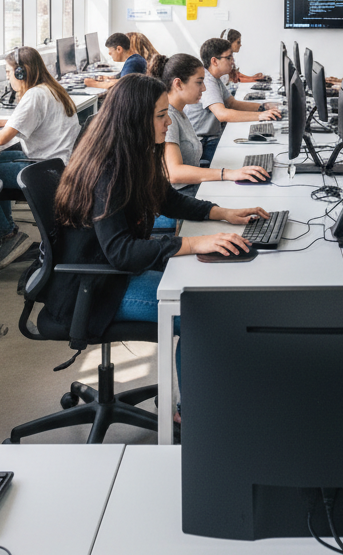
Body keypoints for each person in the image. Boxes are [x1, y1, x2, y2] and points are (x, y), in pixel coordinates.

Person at [46, 74, 268, 411]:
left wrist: (223, 213)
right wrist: (195, 244)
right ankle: (193, 416)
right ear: (136, 119)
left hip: (113, 273)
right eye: (161, 115)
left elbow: (168, 200)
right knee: (201, 313)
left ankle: (214, 402)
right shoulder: (110, 170)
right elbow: (121, 253)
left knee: (213, 290)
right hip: (96, 287)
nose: (169, 122)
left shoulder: (135, 151)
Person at [0, 46, 80, 267]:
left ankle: (5, 235)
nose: (8, 77)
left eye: (9, 73)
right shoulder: (50, 89)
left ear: (21, 73)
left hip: (45, 170)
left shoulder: (34, 95)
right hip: (57, 164)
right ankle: (9, 232)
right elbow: (30, 121)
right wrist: (1, 122)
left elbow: (0, 139)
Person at [149, 52, 270, 193]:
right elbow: (174, 173)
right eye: (199, 82)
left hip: (191, 190)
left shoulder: (179, 112)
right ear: (178, 84)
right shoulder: (168, 116)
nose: (204, 88)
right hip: (180, 199)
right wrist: (228, 173)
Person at [185, 37, 281, 161]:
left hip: (211, 137)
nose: (233, 61)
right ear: (214, 61)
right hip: (203, 144)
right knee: (251, 153)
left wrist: (263, 107)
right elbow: (222, 114)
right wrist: (260, 116)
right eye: (229, 57)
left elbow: (231, 103)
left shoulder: (215, 78)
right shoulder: (207, 82)